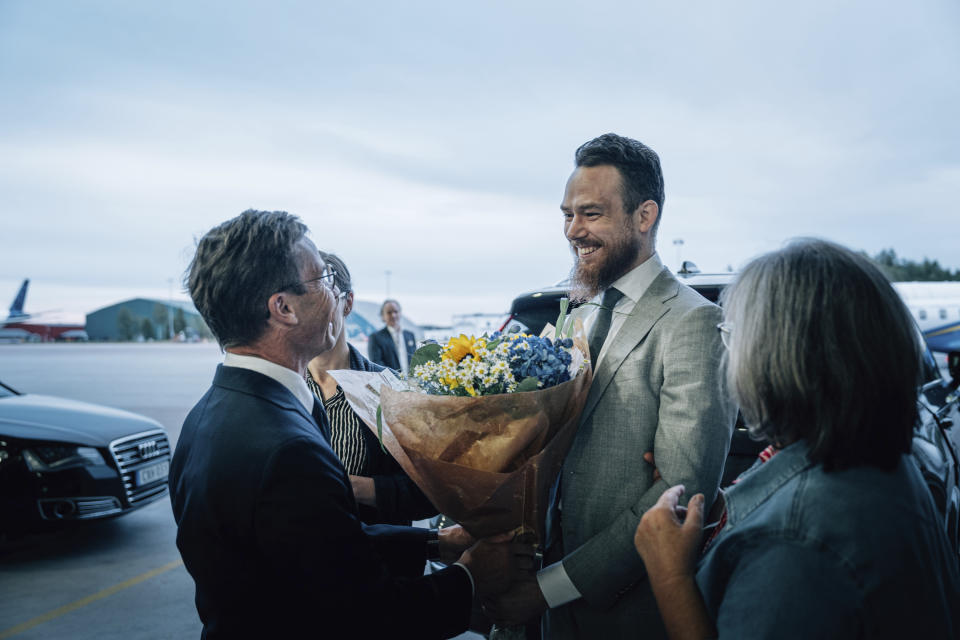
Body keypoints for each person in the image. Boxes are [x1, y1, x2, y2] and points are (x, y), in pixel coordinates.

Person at [168, 210, 528, 639]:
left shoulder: (209, 414)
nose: (333, 293)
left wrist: (434, 543)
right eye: (322, 280)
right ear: (283, 308)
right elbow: (367, 614)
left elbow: (320, 546)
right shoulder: (287, 452)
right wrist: (470, 576)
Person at [634, 239, 960, 639]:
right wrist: (724, 510)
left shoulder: (793, 544)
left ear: (775, 358)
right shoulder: (876, 455)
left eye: (732, 336)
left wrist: (671, 578)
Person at [485, 133, 737, 638]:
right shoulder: (573, 312)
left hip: (628, 611)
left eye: (591, 214)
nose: (573, 230)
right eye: (567, 214)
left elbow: (679, 494)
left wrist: (549, 587)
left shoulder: (693, 322)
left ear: (645, 216)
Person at [305, 252, 436, 525]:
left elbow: (428, 492)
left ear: (347, 303)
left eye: (322, 298)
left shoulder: (387, 387)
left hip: (375, 558)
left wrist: (357, 488)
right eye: (300, 300)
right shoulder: (283, 389)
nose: (309, 312)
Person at [368, 299, 416, 373]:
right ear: (383, 316)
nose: (393, 315)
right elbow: (376, 365)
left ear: (400, 313)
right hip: (390, 382)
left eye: (396, 312)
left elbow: (415, 360)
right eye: (389, 312)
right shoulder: (375, 338)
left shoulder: (410, 335)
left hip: (411, 382)